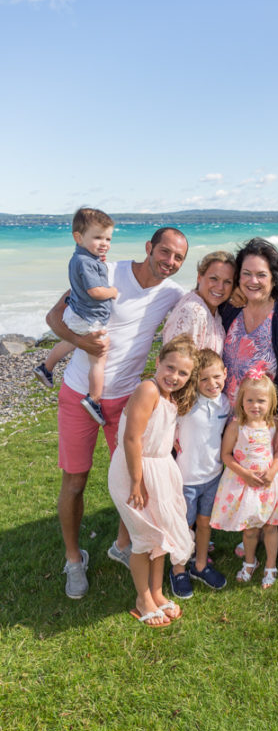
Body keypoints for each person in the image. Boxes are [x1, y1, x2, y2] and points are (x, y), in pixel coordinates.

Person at [46, 226, 189, 599]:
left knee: (132, 480)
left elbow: (207, 298)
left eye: (178, 258)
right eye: (165, 252)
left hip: (126, 402)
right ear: (149, 247)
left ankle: (123, 545)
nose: (170, 262)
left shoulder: (172, 293)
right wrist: (81, 342)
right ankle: (74, 559)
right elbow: (53, 318)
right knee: (75, 482)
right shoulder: (105, 273)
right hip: (80, 393)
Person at [221, 238, 278, 574]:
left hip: (266, 420)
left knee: (273, 481)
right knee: (242, 481)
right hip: (231, 418)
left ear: (274, 278)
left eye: (261, 275)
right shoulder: (230, 309)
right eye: (246, 274)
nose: (253, 281)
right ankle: (250, 530)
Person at [107, 335, 198, 627]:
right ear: (157, 362)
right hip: (136, 470)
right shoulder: (147, 389)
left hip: (160, 470)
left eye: (183, 373)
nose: (175, 376)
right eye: (170, 367)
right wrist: (137, 482)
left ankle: (158, 593)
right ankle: (142, 597)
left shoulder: (170, 397)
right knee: (145, 539)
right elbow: (132, 438)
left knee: (161, 537)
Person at [210, 369, 278, 590]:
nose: (255, 405)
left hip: (268, 483)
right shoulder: (236, 426)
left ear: (270, 402)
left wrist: (273, 470)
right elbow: (226, 455)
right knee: (249, 529)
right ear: (241, 401)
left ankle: (270, 565)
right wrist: (245, 473)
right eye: (250, 400)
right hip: (244, 483)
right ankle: (250, 562)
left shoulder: (273, 425)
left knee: (270, 527)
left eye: (261, 401)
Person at [36, 208, 118, 425]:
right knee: (99, 357)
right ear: (79, 237)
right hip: (90, 317)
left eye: (108, 238)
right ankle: (93, 399)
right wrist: (113, 292)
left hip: (77, 313)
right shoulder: (87, 262)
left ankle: (46, 367)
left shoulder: (81, 256)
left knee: (70, 342)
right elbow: (95, 291)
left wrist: (98, 259)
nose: (104, 243)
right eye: (98, 237)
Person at [169, 349, 230, 598]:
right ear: (195, 381)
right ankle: (179, 569)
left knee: (205, 524)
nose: (211, 384)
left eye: (216, 377)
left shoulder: (225, 402)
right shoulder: (185, 404)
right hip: (186, 479)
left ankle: (201, 565)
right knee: (184, 527)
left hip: (213, 476)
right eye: (203, 379)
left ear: (225, 373)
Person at [161, 250, 236, 353]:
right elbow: (175, 362)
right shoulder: (193, 311)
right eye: (214, 278)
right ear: (199, 277)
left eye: (227, 282)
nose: (220, 287)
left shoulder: (214, 312)